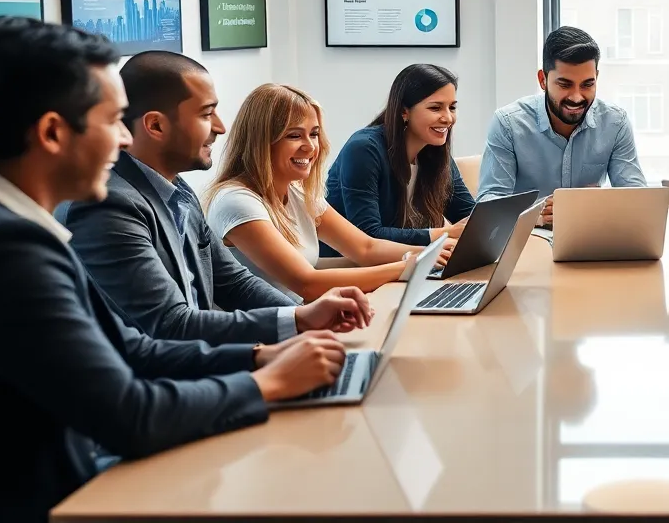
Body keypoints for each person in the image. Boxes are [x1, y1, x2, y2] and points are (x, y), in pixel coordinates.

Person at [0, 17, 346, 521]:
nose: (124, 142)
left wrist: (263, 355)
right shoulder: (6, 247)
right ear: (53, 133)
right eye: (111, 122)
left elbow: (133, 349)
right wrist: (269, 383)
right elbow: (127, 413)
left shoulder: (14, 226)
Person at [63, 51, 373, 346]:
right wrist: (291, 329)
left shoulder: (178, 190)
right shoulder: (109, 207)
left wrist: (304, 317)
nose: (221, 127)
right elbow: (171, 324)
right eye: (206, 114)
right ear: (155, 125)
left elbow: (233, 282)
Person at [205, 84, 437, 302]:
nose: (310, 146)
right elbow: (306, 283)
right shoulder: (236, 201)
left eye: (314, 134)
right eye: (294, 135)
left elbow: (365, 248)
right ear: (261, 142)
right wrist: (406, 267)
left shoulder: (298, 193)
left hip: (299, 318)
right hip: (262, 335)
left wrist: (433, 254)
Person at [478, 26, 646, 226]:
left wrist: (594, 205)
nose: (576, 97)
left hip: (591, 235)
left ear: (596, 78)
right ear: (543, 80)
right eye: (565, 84)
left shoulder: (615, 122)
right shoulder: (508, 123)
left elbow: (638, 199)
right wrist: (537, 216)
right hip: (529, 238)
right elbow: (488, 204)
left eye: (587, 84)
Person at [323, 64, 472, 256]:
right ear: (404, 111)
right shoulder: (364, 150)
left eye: (452, 107)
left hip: (408, 265)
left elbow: (470, 218)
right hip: (347, 269)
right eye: (435, 108)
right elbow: (369, 235)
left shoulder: (436, 154)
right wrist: (444, 233)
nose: (448, 118)